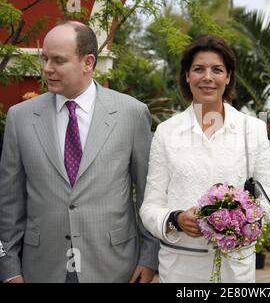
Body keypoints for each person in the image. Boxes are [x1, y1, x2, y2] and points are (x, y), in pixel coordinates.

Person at [0, 21, 159, 283]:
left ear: (88, 62)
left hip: (115, 267)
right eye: (45, 59)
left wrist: (149, 257)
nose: (47, 68)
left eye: (58, 60)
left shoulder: (132, 113)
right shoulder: (20, 117)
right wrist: (8, 268)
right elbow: (9, 203)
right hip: (41, 268)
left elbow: (147, 192)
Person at [139, 35, 270, 283]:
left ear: (228, 77)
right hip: (181, 269)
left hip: (236, 270)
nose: (207, 77)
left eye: (217, 69)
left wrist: (245, 218)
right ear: (187, 75)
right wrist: (175, 219)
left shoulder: (253, 129)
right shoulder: (166, 132)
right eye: (198, 69)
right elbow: (150, 207)